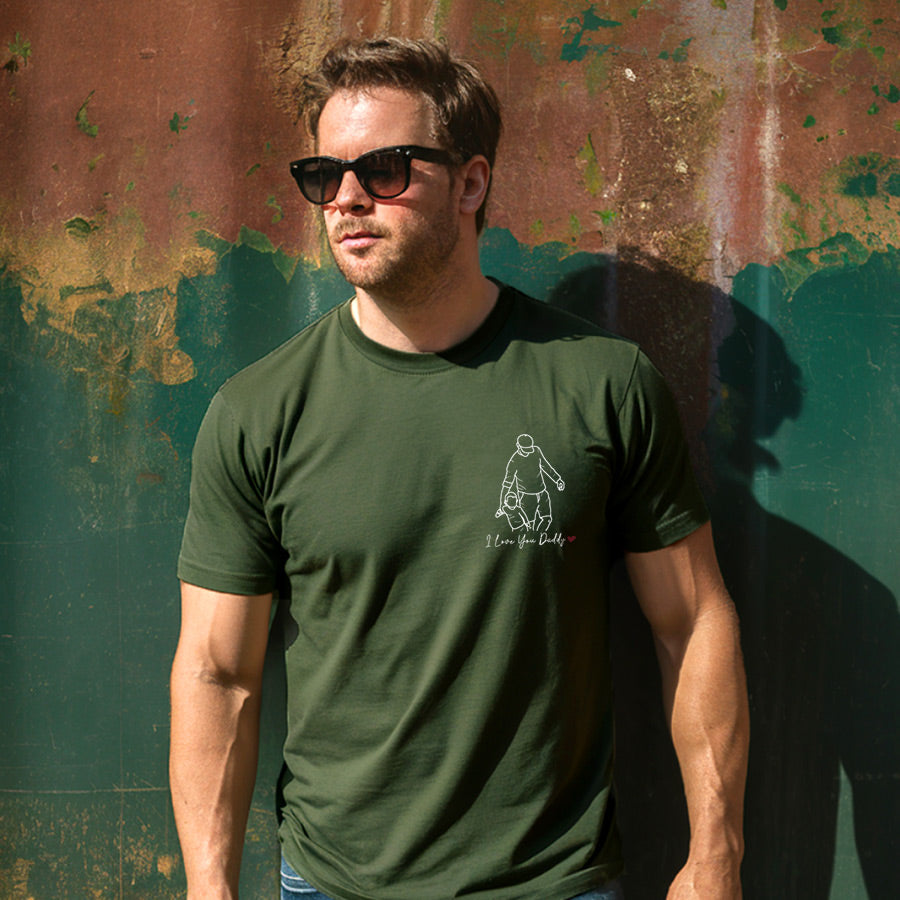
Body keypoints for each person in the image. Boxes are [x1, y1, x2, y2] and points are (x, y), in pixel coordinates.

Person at [169, 36, 749, 900]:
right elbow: (218, 673)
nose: (347, 198)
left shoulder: (601, 384)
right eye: (324, 175)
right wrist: (207, 888)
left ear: (471, 183)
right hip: (334, 883)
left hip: (551, 881)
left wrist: (716, 857)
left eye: (386, 169)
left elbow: (693, 621)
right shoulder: (258, 411)